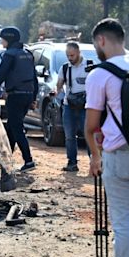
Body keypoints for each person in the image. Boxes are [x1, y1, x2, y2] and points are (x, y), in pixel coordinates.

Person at [85, 18, 129, 257]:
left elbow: (91, 125)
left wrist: (95, 155)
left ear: (101, 41)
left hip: (120, 156)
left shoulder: (100, 75)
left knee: (125, 223)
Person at [0, 26, 38, 172]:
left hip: (15, 96)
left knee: (16, 128)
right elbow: (34, 78)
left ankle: (29, 160)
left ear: (8, 38)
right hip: (27, 95)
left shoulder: (9, 55)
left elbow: (0, 75)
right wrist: (34, 98)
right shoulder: (27, 54)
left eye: (2, 39)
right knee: (12, 127)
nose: (1, 42)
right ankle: (6, 160)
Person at [54, 42, 90, 172]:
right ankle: (72, 163)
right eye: (68, 55)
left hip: (87, 106)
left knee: (89, 135)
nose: (70, 58)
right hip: (69, 105)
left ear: (79, 52)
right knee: (69, 135)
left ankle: (95, 162)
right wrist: (57, 93)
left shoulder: (90, 66)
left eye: (72, 55)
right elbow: (59, 85)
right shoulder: (65, 68)